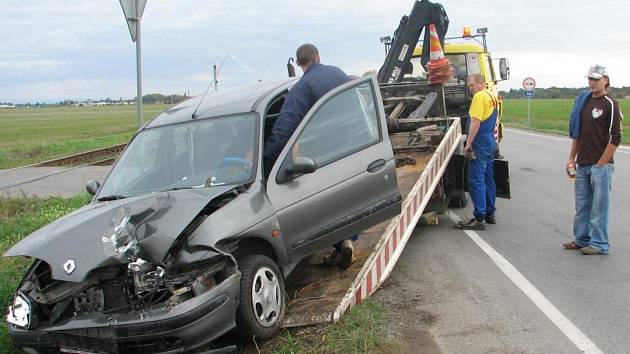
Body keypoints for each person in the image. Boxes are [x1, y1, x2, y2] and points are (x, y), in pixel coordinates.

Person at [263, 43, 356, 268]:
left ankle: (339, 241)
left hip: (324, 152)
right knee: (347, 196)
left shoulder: (302, 87)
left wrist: (266, 161)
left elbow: (285, 129)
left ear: (298, 63)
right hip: (354, 144)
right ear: (318, 56)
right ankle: (346, 240)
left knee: (326, 201)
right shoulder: (338, 73)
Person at [563, 64, 622, 255]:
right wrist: (572, 158)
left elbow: (615, 138)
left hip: (601, 166)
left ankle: (599, 244)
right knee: (582, 207)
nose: (592, 83)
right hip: (583, 163)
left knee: (599, 209)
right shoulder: (585, 102)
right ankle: (582, 239)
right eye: (590, 79)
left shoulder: (610, 104)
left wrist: (601, 163)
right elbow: (578, 133)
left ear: (606, 80)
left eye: (596, 79)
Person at [458, 73, 498, 230]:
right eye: (469, 86)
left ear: (481, 83)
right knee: (488, 178)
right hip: (489, 140)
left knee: (475, 179)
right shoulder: (491, 96)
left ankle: (479, 216)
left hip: (480, 141)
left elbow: (475, 121)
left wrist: (468, 143)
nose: (470, 89)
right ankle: (490, 213)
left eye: (472, 85)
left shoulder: (479, 97)